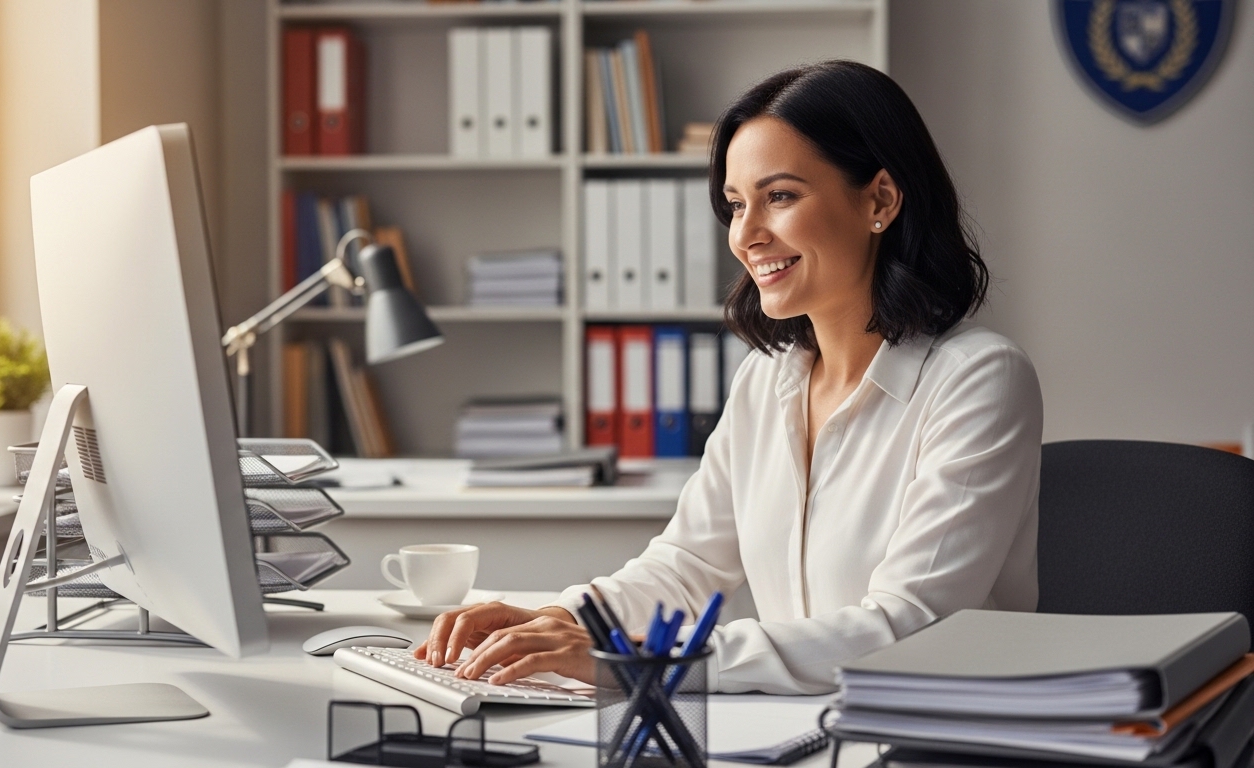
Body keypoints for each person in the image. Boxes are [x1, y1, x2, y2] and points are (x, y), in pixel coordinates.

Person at [414, 60, 1043, 694]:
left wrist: (641, 664)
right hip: (792, 735)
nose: (746, 235)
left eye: (781, 197)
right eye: (736, 205)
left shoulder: (979, 379)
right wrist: (559, 621)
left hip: (927, 736)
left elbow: (908, 627)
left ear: (879, 199)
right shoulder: (766, 381)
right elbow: (687, 565)